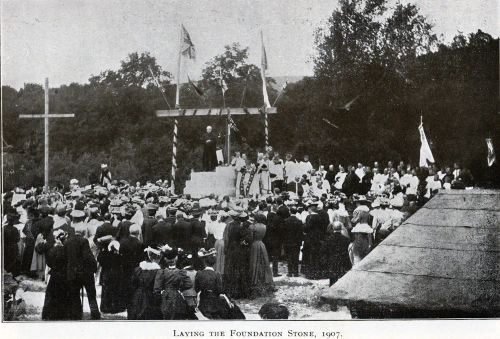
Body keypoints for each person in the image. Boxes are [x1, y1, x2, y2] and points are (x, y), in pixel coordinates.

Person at [65, 209, 100, 320]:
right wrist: (94, 267)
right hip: (85, 272)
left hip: (73, 271)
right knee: (91, 293)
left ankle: (76, 313)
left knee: (75, 294)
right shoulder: (84, 239)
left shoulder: (68, 240)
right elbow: (88, 256)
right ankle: (94, 312)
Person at [154, 246, 195, 320]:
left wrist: (163, 290)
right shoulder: (181, 272)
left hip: (165, 296)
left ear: (166, 259)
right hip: (176, 296)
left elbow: (157, 288)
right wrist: (180, 288)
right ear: (176, 259)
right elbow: (189, 284)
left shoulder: (162, 272)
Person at [223, 211, 252, 299]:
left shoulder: (228, 226)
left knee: (231, 270)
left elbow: (226, 239)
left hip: (231, 250)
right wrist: (244, 243)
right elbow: (248, 238)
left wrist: (226, 249)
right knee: (240, 270)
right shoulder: (242, 226)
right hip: (239, 250)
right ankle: (242, 292)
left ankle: (231, 292)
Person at [128, 247, 163, 320]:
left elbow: (132, 284)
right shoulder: (158, 271)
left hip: (138, 296)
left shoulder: (137, 269)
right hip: (151, 297)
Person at [42, 230, 69, 320]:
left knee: (52, 294)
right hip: (64, 274)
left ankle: (50, 314)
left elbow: (49, 262)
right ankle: (62, 314)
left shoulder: (54, 249)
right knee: (63, 293)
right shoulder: (66, 248)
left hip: (55, 274)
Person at [97, 238, 126, 314]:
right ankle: (115, 307)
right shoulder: (118, 255)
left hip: (106, 273)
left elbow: (100, 260)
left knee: (106, 290)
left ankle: (105, 307)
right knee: (115, 290)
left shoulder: (104, 254)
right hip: (116, 273)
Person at [248, 214, 274, 297]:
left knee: (254, 263)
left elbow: (250, 238)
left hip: (254, 245)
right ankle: (265, 280)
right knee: (264, 263)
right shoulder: (264, 226)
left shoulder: (252, 226)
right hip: (262, 244)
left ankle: (255, 281)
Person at [324, 222, 351, 286]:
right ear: (341, 228)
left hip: (332, 259)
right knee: (342, 277)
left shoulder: (329, 239)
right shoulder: (346, 239)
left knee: (333, 277)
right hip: (342, 259)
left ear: (333, 228)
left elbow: (325, 251)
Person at [283, 207, 303, 277]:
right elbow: (301, 233)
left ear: (290, 212)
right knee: (296, 257)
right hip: (296, 242)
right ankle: (296, 272)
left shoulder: (285, 221)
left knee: (289, 257)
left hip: (288, 242)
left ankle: (290, 272)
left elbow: (284, 233)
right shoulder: (299, 221)